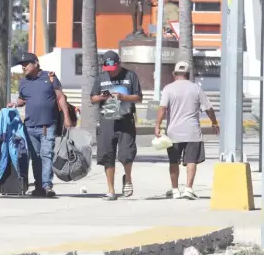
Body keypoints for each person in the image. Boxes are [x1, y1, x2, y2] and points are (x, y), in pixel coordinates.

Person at [154, 61, 220, 200]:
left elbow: (162, 108)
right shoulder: (196, 88)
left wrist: (157, 125)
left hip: (173, 133)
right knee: (191, 161)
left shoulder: (168, 88)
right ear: (188, 74)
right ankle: (188, 189)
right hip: (192, 132)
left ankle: (175, 190)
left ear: (174, 74)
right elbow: (208, 108)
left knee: (173, 161)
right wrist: (214, 122)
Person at [12, 52, 72, 197]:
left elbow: (60, 97)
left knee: (46, 154)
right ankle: (39, 186)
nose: (23, 67)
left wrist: (67, 117)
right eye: (22, 65)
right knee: (36, 158)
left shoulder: (50, 78)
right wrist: (15, 103)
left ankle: (47, 185)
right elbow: (22, 99)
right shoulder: (23, 82)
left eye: (26, 64)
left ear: (36, 63)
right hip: (30, 127)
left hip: (47, 126)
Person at [90, 50, 142, 201]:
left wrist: (123, 97)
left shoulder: (130, 76)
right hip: (107, 120)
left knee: (126, 154)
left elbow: (138, 97)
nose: (111, 74)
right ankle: (111, 190)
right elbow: (92, 98)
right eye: (108, 70)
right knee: (107, 155)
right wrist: (101, 97)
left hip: (126, 119)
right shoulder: (101, 77)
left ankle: (128, 179)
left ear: (119, 64)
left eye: (114, 70)